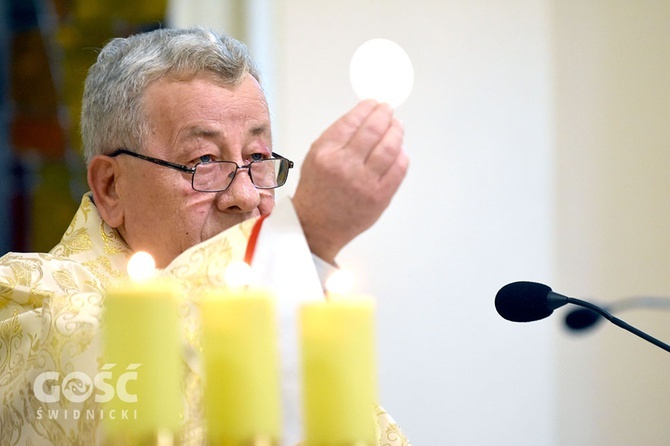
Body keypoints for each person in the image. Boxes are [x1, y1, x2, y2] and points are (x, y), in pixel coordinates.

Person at [0, 27, 410, 445]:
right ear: (111, 187)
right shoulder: (21, 299)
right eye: (205, 160)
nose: (247, 195)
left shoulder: (301, 319)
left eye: (257, 158)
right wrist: (305, 232)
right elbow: (112, 375)